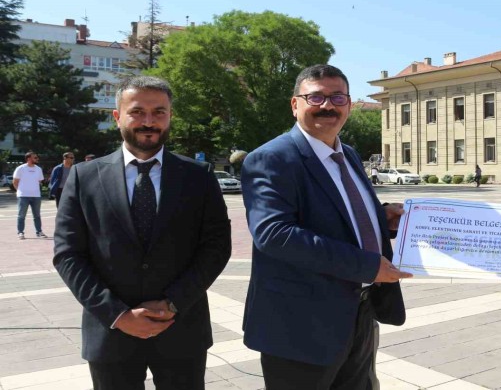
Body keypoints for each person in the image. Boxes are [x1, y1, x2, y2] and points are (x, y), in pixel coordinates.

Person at [53, 76, 232, 390]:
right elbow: (68, 254)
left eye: (159, 112)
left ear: (170, 116)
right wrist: (118, 314)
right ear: (117, 116)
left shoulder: (198, 176)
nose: (149, 122)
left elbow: (216, 247)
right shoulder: (84, 177)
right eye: (137, 112)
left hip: (181, 330)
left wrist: (172, 304)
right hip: (110, 333)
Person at [241, 64, 411, 389]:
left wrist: (382, 217)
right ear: (295, 105)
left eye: (337, 97)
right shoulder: (272, 158)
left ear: (349, 104)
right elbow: (274, 235)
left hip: (360, 315)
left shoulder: (349, 154)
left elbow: (341, 213)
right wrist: (367, 266)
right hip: (300, 326)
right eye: (316, 97)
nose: (328, 106)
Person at [13, 151, 46, 239]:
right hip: (23, 196)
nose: (37, 159)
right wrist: (19, 191)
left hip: (36, 196)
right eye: (35, 157)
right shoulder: (20, 168)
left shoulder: (38, 169)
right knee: (21, 215)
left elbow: (40, 181)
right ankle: (20, 232)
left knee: (37, 215)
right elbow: (15, 182)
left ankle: (39, 232)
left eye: (37, 157)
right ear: (28, 159)